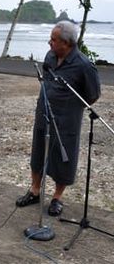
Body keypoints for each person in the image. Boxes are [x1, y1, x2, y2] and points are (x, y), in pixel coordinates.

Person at [16, 21, 101, 216]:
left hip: (66, 120)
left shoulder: (84, 65)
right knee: (38, 153)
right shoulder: (50, 57)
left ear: (66, 43)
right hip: (43, 113)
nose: (49, 43)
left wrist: (69, 106)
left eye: (53, 40)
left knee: (64, 158)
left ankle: (57, 198)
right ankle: (35, 191)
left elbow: (93, 94)